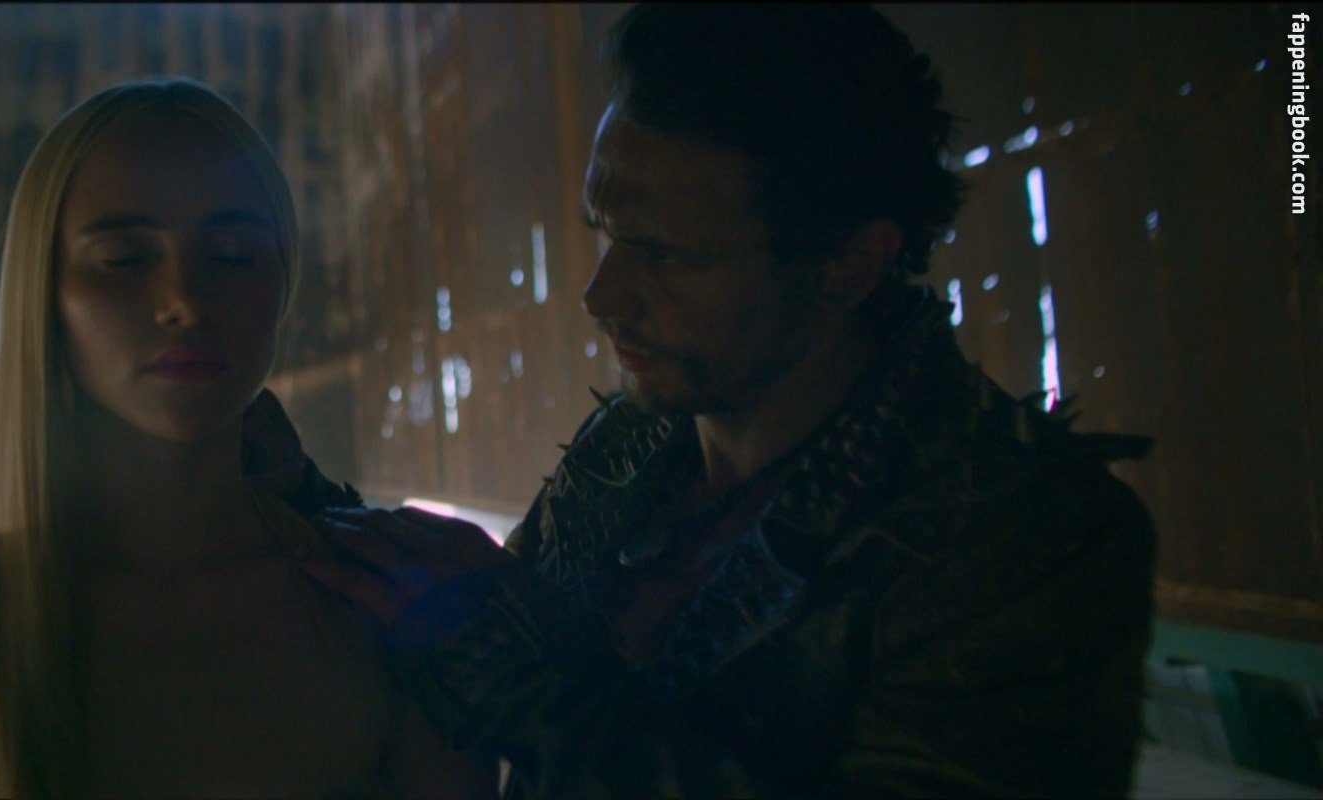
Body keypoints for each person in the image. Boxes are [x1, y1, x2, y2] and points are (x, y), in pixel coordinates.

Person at [276, 5, 1160, 797]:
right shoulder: (633, 447)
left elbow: (515, 663)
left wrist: (510, 676)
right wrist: (276, 487)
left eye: (668, 255)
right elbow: (477, 622)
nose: (601, 295)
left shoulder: (1020, 533)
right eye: (608, 235)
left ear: (851, 262)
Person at [0, 78, 494, 798]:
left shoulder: (386, 608)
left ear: (283, 282)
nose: (185, 301)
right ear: (45, 293)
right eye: (124, 259)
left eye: (233, 253)